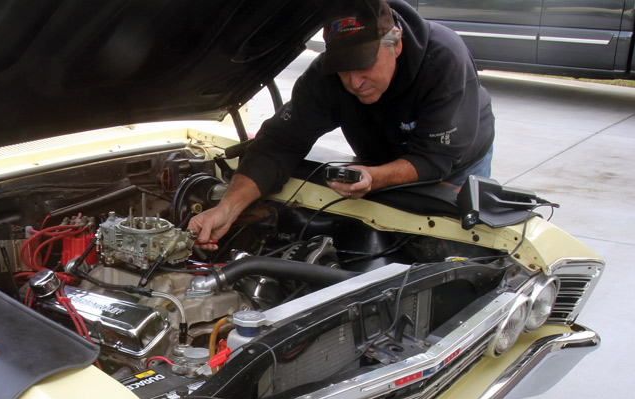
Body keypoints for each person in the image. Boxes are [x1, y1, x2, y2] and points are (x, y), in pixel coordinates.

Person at [191, 0, 495, 250]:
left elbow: (435, 158)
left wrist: (375, 178)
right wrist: (227, 209)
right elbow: (279, 143)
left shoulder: (443, 60)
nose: (354, 82)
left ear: (396, 44)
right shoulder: (323, 79)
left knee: (456, 250)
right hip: (378, 160)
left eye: (363, 66)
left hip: (456, 163)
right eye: (343, 70)